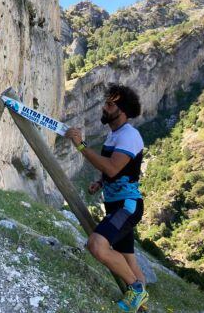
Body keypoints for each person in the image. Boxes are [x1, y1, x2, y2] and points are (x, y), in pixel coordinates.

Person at [65, 84, 148, 312]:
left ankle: (136, 290)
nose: (104, 107)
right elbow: (119, 170)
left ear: (121, 111)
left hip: (127, 206)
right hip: (117, 205)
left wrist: (81, 146)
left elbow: (113, 168)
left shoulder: (130, 136)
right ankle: (141, 306)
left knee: (97, 245)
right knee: (128, 260)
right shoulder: (115, 134)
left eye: (110, 104)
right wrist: (101, 183)